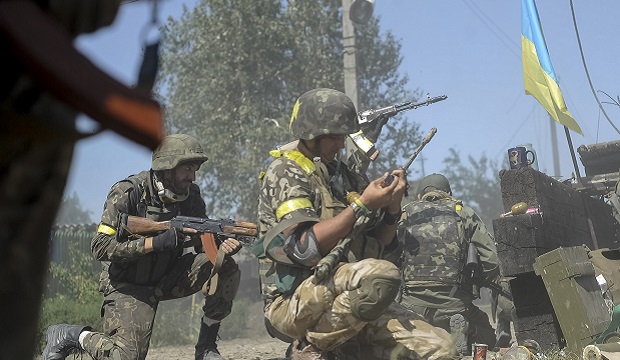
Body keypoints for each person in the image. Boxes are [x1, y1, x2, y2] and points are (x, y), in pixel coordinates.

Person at [254, 88, 456, 360]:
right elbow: (303, 248)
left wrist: (392, 208)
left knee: (441, 349)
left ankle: (344, 348)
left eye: (343, 136)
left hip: (351, 298)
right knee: (380, 276)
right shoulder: (286, 172)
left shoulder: (344, 176)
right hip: (294, 302)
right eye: (334, 137)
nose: (340, 144)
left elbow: (380, 247)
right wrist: (361, 206)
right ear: (311, 134)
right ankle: (308, 347)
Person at [41, 134, 242, 360]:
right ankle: (71, 335)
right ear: (167, 167)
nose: (192, 176)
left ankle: (206, 348)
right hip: (127, 284)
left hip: (167, 277)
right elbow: (100, 247)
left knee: (226, 266)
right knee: (126, 357)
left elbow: (202, 248)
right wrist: (153, 243)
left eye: (195, 169)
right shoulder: (128, 192)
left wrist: (221, 247)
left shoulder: (191, 196)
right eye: (187, 169)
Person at [397, 173, 514, 355]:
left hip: (412, 306)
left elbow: (387, 255)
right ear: (449, 193)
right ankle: (466, 328)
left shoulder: (404, 215)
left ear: (420, 196)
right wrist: (477, 284)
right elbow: (491, 260)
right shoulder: (463, 213)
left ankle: (421, 334)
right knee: (488, 337)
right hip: (454, 304)